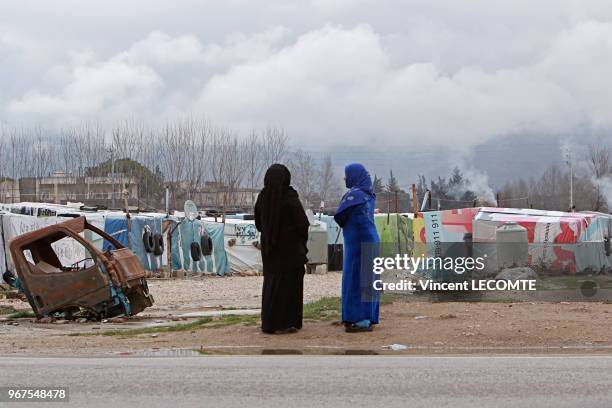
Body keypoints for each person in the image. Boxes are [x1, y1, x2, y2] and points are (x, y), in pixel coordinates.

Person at [255, 164, 310, 334]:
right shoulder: (289, 196)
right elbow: (302, 223)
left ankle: (270, 323)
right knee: (289, 287)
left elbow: (258, 224)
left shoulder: (263, 197)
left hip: (270, 252)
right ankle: (287, 322)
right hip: (291, 252)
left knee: (272, 286)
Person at [334, 163, 380, 332]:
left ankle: (357, 318)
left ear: (354, 175)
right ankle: (368, 317)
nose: (344, 178)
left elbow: (339, 216)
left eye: (347, 174)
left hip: (358, 242)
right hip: (370, 239)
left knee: (355, 279)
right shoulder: (369, 194)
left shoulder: (353, 196)